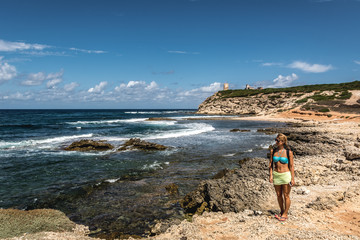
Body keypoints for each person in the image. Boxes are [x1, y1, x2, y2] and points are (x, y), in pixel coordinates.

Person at [269, 133, 295, 222]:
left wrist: (293, 178)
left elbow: (291, 166)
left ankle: (285, 213)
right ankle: (282, 210)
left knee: (286, 195)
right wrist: (271, 175)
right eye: (275, 140)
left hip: (286, 175)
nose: (275, 142)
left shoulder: (289, 152)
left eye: (277, 140)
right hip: (276, 175)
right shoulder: (273, 151)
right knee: (279, 195)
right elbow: (271, 165)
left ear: (283, 141)